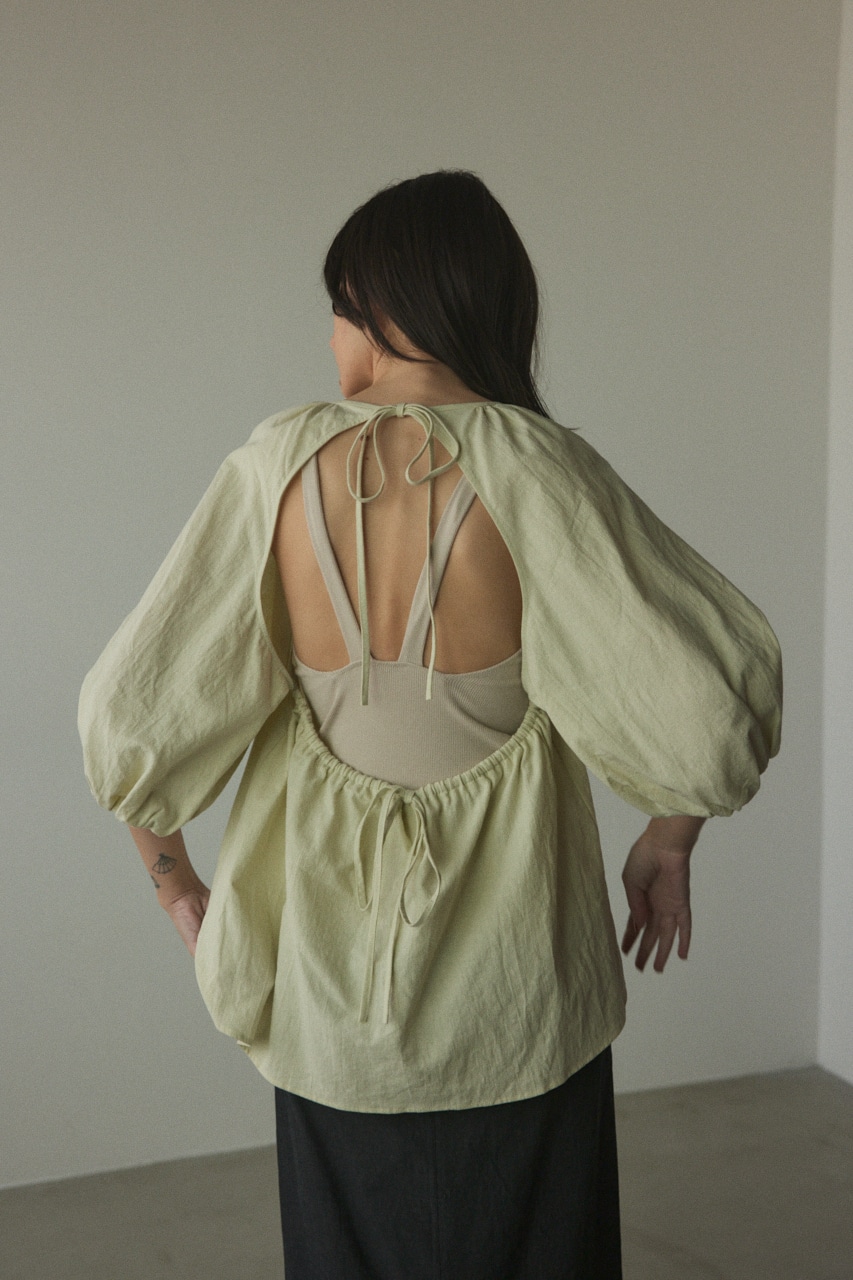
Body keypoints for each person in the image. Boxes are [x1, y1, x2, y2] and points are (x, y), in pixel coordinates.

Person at [79, 170, 782, 1279]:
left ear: (373, 305)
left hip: (329, 998)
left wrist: (174, 882)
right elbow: (709, 703)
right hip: (525, 990)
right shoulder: (541, 468)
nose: (329, 337)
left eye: (334, 308)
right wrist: (667, 838)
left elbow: (133, 714)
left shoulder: (273, 468)